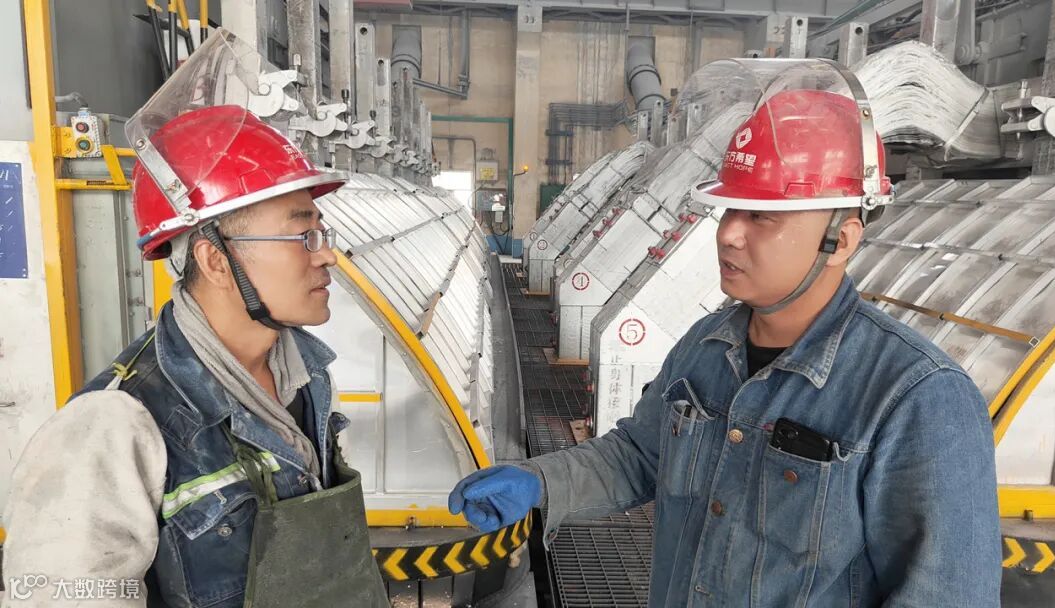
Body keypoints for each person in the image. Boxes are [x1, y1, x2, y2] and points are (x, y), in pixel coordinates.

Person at [449, 86, 1001, 606]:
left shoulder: (916, 399)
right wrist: (541, 481)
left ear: (840, 239)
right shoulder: (706, 347)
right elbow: (639, 455)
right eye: (730, 209)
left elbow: (946, 594)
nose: (729, 233)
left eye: (761, 216)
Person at [2, 32, 389, 608]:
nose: (326, 255)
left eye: (323, 233)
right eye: (302, 235)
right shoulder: (114, 429)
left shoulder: (306, 374)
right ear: (215, 260)